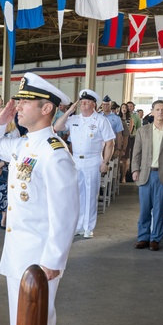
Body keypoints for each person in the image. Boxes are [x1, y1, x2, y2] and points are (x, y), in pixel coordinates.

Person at [0, 73, 78, 325]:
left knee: (38, 322)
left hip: (39, 259)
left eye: (24, 102)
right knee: (18, 322)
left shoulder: (54, 153)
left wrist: (53, 260)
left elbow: (65, 214)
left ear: (47, 108)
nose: (17, 106)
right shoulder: (24, 144)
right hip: (17, 252)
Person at [53, 89, 115, 238]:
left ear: (93, 104)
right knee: (77, 194)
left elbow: (110, 142)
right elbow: (56, 127)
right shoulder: (74, 119)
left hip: (93, 160)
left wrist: (105, 161)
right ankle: (79, 225)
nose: (83, 103)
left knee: (90, 194)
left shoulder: (100, 120)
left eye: (86, 101)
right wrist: (68, 112)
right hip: (75, 160)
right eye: (81, 101)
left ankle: (88, 227)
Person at [131, 100, 163, 250]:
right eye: (157, 109)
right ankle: (143, 237)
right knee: (145, 209)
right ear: (152, 112)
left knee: (159, 209)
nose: (160, 112)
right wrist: (135, 170)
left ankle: (155, 238)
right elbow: (136, 153)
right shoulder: (143, 130)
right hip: (146, 174)